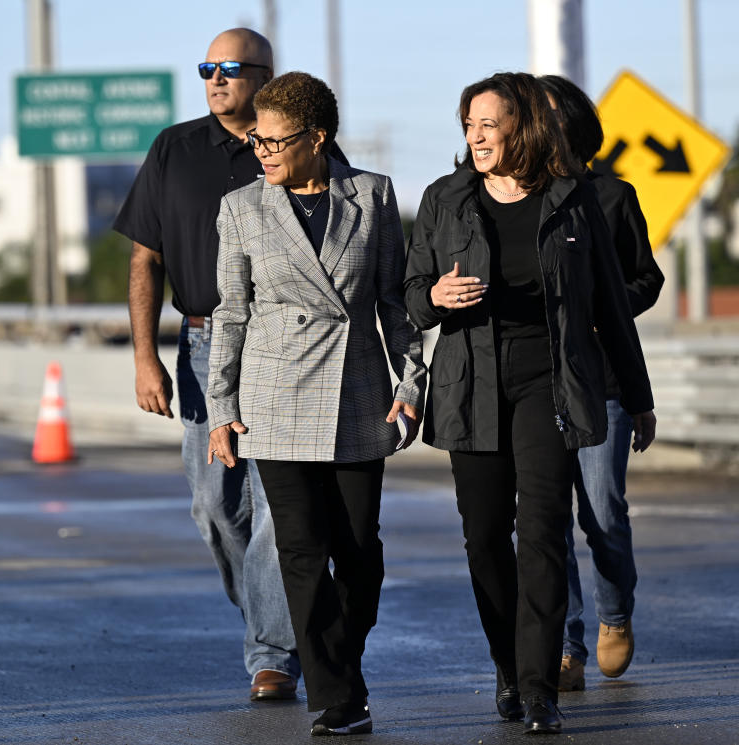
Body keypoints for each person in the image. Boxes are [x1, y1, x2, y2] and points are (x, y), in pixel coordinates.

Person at [404, 72, 657, 735]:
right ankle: (508, 666)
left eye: (489, 123)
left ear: (523, 126)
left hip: (550, 380)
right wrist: (432, 299)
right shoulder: (444, 198)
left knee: (542, 530)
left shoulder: (571, 203)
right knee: (485, 537)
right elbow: (408, 292)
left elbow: (611, 305)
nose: (475, 136)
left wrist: (636, 396)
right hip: (469, 382)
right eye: (468, 124)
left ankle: (541, 686)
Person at [206, 71, 426, 736]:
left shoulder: (373, 195)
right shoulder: (241, 207)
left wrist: (409, 381)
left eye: (275, 141)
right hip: (272, 399)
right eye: (257, 143)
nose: (263, 153)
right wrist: (220, 403)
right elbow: (231, 311)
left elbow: (394, 299)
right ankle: (334, 694)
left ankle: (342, 665)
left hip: (358, 393)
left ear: (317, 137)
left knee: (360, 552)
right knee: (301, 552)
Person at [113, 28, 304, 702]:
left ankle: (272, 653)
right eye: (206, 68)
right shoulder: (175, 148)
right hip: (198, 349)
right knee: (214, 506)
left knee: (275, 507)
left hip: (280, 347)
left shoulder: (296, 147)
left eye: (229, 68)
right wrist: (144, 358)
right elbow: (144, 260)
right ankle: (272, 610)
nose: (215, 79)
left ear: (264, 75)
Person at [538, 74, 664, 693]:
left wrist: (600, 308)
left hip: (604, 380)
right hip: (535, 383)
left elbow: (648, 279)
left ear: (576, 123)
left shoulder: (613, 196)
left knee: (603, 512)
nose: (543, 123)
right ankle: (566, 645)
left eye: (552, 112)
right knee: (544, 519)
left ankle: (615, 614)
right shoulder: (515, 199)